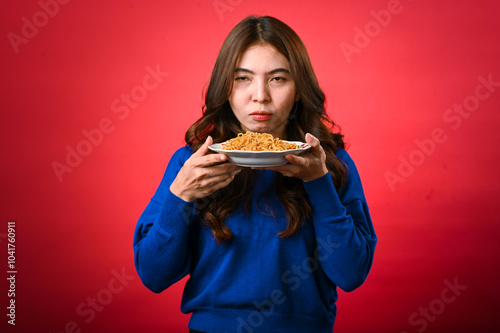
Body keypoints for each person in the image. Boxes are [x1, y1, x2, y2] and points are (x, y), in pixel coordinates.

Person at [133, 15, 377, 333]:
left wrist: (318, 181)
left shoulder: (331, 163)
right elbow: (153, 276)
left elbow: (351, 273)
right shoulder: (191, 164)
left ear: (300, 89)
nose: (260, 95)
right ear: (225, 88)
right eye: (243, 78)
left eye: (277, 78)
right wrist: (180, 196)